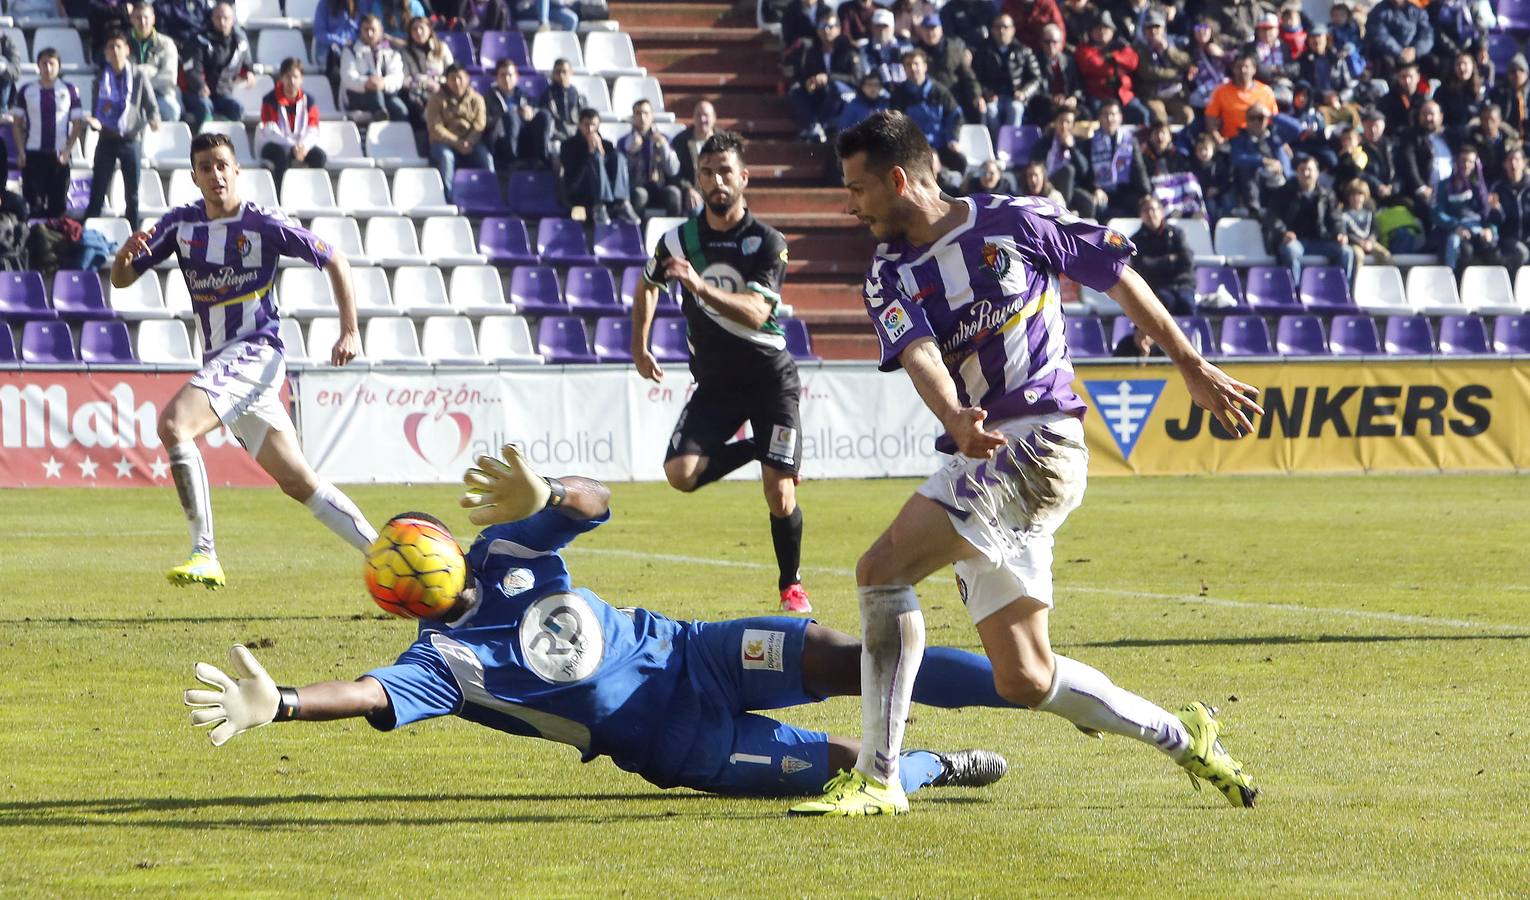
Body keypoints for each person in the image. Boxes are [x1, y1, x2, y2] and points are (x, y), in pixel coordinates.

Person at [792, 110, 1263, 816]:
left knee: (878, 572)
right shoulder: (888, 272)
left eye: (857, 189)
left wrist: (1190, 364)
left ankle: (881, 777)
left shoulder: (1015, 219)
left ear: (898, 179)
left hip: (1040, 442)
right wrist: (953, 416)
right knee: (1023, 675)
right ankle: (1184, 736)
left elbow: (1114, 273)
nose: (849, 205)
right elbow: (919, 354)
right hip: (981, 449)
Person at [182, 448, 1013, 799]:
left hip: (696, 654)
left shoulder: (505, 544)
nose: (418, 560)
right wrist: (284, 702)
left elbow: (597, 505)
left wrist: (550, 497)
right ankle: (939, 766)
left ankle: (1020, 689)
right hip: (675, 744)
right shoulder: (441, 660)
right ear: (398, 598)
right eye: (402, 563)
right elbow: (367, 693)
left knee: (854, 654)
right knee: (849, 764)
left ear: (442, 540)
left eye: (420, 542)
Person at [108, 132, 376, 589]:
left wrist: (350, 329)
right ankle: (388, 556)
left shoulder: (264, 224)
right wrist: (121, 258)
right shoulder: (180, 225)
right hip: (224, 364)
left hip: (256, 353)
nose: (215, 174)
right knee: (299, 483)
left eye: (222, 164)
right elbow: (122, 281)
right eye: (206, 167)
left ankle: (204, 551)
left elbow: (336, 260)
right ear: (195, 176)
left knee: (174, 425)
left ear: (236, 171)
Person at [630, 131, 812, 615]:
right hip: (716, 383)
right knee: (680, 474)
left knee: (779, 493)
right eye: (708, 171)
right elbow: (647, 284)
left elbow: (754, 312)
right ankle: (762, 449)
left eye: (726, 171)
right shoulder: (678, 240)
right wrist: (638, 344)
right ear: (697, 178)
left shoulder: (767, 242)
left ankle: (791, 583)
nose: (717, 180)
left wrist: (696, 284)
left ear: (744, 177)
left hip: (770, 378)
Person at [84, 32, 161, 227]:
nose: (115, 50)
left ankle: (133, 235)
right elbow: (96, 111)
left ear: (127, 50)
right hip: (107, 138)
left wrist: (154, 119)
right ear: (106, 52)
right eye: (111, 47)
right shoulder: (100, 78)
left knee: (132, 194)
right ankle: (89, 230)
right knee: (98, 188)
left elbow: (151, 106)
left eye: (119, 46)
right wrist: (94, 122)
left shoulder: (138, 76)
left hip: (130, 139)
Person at [10, 48, 85, 218]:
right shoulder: (26, 90)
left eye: (52, 63)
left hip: (58, 157)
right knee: (32, 208)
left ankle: (54, 243)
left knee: (57, 209)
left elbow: (77, 124)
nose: (48, 68)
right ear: (38, 66)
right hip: (33, 156)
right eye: (44, 63)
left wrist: (67, 152)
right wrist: (21, 152)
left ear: (58, 66)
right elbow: (16, 124)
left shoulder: (69, 90)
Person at [1264, 153, 1354, 284]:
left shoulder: (1327, 195)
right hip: (1295, 241)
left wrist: (1340, 233)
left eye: (1309, 170)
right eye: (1302, 170)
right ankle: (1295, 294)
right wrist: (1283, 232)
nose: (1306, 173)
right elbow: (1272, 217)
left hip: (1321, 241)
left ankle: (1340, 293)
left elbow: (1336, 218)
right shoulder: (1283, 193)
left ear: (1317, 173)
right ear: (1297, 173)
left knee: (1346, 251)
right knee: (1290, 251)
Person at [785, 12, 862, 143]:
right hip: (822, 94)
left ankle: (820, 125)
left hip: (846, 93)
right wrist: (810, 82)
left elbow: (857, 79)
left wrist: (829, 78)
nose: (827, 30)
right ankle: (814, 126)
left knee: (835, 87)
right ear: (817, 29)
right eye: (823, 25)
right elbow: (804, 75)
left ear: (838, 28)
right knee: (796, 90)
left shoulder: (849, 49)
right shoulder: (812, 51)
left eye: (831, 26)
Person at [892, 49, 965, 175]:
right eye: (908, 65)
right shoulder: (899, 95)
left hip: (941, 146)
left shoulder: (941, 92)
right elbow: (896, 124)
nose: (913, 68)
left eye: (916, 64)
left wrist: (952, 139)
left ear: (925, 66)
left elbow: (955, 116)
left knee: (960, 161)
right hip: (913, 148)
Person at [557, 108, 636, 225]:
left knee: (618, 156)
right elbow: (573, 176)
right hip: (580, 190)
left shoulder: (607, 145)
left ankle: (622, 202)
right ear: (580, 125)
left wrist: (601, 152)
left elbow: (613, 170)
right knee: (595, 158)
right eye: (586, 125)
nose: (590, 129)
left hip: (608, 192)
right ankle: (599, 206)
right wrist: (590, 154)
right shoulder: (568, 145)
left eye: (593, 125)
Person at [183, 1, 255, 128]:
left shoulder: (240, 41)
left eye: (226, 18)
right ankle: (204, 142)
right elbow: (192, 69)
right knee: (205, 106)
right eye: (218, 17)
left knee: (237, 108)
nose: (222, 22)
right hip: (197, 94)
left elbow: (247, 62)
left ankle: (228, 142)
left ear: (233, 20)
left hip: (223, 93)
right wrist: (200, 85)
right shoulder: (198, 39)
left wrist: (249, 72)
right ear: (212, 18)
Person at [425, 64, 492, 202]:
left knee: (486, 158)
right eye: (452, 78)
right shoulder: (436, 99)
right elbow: (435, 127)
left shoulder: (477, 99)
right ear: (446, 80)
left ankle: (490, 194)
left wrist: (469, 141)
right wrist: (456, 142)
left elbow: (479, 124)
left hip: (469, 142)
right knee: (446, 157)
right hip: (443, 143)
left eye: (460, 78)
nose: (457, 82)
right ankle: (447, 197)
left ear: (467, 79)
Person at [255, 57, 328, 179]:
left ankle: (314, 190)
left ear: (301, 79)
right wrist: (292, 145)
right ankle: (281, 194)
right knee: (280, 156)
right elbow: (270, 131)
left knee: (319, 156)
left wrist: (303, 146)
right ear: (282, 78)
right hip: (275, 144)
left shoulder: (309, 101)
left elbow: (313, 129)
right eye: (288, 77)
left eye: (295, 77)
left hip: (300, 145)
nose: (292, 81)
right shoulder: (270, 100)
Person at [971, 13, 1041, 136]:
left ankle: (1009, 146)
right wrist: (985, 92)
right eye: (998, 27)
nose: (1001, 31)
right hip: (994, 96)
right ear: (992, 30)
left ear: (1013, 30)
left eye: (1005, 27)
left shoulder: (1024, 51)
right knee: (991, 111)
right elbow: (975, 78)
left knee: (1016, 108)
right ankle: (996, 148)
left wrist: (1024, 93)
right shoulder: (983, 51)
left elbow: (1036, 78)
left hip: (1015, 96)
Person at [1074, 12, 1148, 124]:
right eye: (1098, 28)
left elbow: (1133, 62)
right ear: (1091, 31)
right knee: (1095, 117)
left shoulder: (1120, 45)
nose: (1102, 31)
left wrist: (1113, 58)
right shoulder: (1084, 48)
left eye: (1106, 28)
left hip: (1123, 95)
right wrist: (1117, 68)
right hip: (1099, 95)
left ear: (1113, 31)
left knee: (1142, 113)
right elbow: (1092, 65)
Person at [483, 58, 552, 171]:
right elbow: (485, 123)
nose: (507, 79)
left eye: (510, 75)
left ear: (517, 77)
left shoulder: (525, 96)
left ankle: (542, 158)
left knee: (544, 114)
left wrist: (531, 112)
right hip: (501, 140)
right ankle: (511, 160)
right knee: (511, 116)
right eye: (503, 75)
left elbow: (536, 115)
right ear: (496, 78)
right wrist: (508, 115)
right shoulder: (488, 98)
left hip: (524, 137)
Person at [618, 99, 682, 217]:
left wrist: (663, 147)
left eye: (646, 113)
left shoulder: (665, 139)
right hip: (637, 187)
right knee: (640, 195)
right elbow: (621, 174)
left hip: (660, 186)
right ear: (633, 117)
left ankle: (674, 233)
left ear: (652, 116)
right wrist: (632, 153)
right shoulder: (624, 142)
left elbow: (673, 170)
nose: (642, 117)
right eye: (638, 113)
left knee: (674, 194)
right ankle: (636, 234)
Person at [1132, 195, 1195, 315]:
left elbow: (1187, 260)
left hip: (1182, 284)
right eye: (1146, 210)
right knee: (1163, 305)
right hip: (1157, 287)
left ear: (1161, 212)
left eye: (1153, 209)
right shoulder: (1136, 241)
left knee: (1187, 304)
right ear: (1141, 215)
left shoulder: (1176, 234)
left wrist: (1156, 263)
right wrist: (1170, 260)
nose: (1150, 214)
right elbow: (1143, 266)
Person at [1087, 99, 1148, 218]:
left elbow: (1138, 168)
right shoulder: (1091, 141)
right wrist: (1094, 189)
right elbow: (1087, 171)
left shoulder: (1129, 140)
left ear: (1120, 117)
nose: (1109, 119)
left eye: (1113, 114)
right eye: (1105, 114)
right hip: (1102, 190)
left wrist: (1146, 193)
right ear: (1099, 118)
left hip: (1124, 190)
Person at [340, 14, 408, 121]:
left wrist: (382, 83)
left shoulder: (391, 51)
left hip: (385, 94)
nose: (369, 33)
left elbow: (397, 77)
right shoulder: (350, 50)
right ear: (360, 30)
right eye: (366, 30)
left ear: (381, 30)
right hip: (358, 95)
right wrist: (367, 83)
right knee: (371, 75)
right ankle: (380, 113)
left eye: (373, 30)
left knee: (401, 110)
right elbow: (348, 77)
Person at [1205, 51, 1278, 142]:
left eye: (1246, 67)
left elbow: (1275, 120)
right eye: (1239, 67)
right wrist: (1217, 138)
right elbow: (1210, 117)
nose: (1243, 70)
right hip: (1233, 140)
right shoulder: (1220, 91)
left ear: (1254, 69)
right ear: (1233, 69)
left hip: (1262, 139)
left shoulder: (1266, 91)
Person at [128, 1, 181, 122]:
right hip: (131, 96)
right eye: (138, 18)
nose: (142, 22)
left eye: (146, 17)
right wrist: (151, 71)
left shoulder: (166, 44)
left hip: (159, 94)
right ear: (131, 19)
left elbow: (168, 77)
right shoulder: (124, 43)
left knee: (171, 109)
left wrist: (142, 81)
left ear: (153, 19)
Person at [399, 15, 452, 129]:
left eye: (421, 28)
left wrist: (439, 84)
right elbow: (403, 79)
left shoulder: (442, 48)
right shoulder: (405, 52)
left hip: (440, 90)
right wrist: (422, 83)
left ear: (429, 29)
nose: (418, 32)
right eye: (414, 29)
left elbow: (452, 72)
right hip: (417, 94)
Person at [1028, 22, 1081, 126]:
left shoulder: (1069, 61)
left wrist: (1074, 98)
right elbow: (1034, 89)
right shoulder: (1034, 61)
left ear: (1061, 43)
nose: (1051, 45)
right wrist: (1051, 99)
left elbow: (1078, 86)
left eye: (1054, 42)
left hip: (1067, 103)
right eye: (1047, 42)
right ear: (1041, 43)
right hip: (1046, 105)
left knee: (1085, 114)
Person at [1366, 0, 1434, 79]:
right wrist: (1399, 52)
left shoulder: (1416, 10)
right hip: (1390, 54)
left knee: (1432, 63)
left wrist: (1415, 50)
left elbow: (1427, 34)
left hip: (1413, 54)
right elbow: (1379, 35)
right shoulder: (1379, 11)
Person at [1489, 144, 1530, 272]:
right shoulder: (1498, 188)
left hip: (1527, 237)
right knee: (1521, 253)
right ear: (1504, 164)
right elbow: (1496, 221)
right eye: (1510, 160)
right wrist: (1497, 210)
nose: (1513, 164)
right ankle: (1512, 287)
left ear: (1524, 163)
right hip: (1507, 239)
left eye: (1517, 160)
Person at [1338, 177, 1391, 270]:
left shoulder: (1369, 213)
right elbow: (1345, 232)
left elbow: (1375, 230)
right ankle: (1357, 283)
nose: (1356, 198)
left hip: (1370, 243)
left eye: (1360, 194)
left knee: (1385, 255)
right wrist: (1359, 242)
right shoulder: (1344, 214)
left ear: (1365, 196)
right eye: (1353, 195)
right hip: (1354, 244)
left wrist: (1370, 241)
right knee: (1358, 256)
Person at [537, 58, 584, 145]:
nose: (561, 75)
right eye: (558, 72)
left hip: (575, 135)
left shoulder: (577, 95)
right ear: (553, 74)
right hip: (555, 137)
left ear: (571, 73)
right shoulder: (547, 95)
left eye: (564, 72)